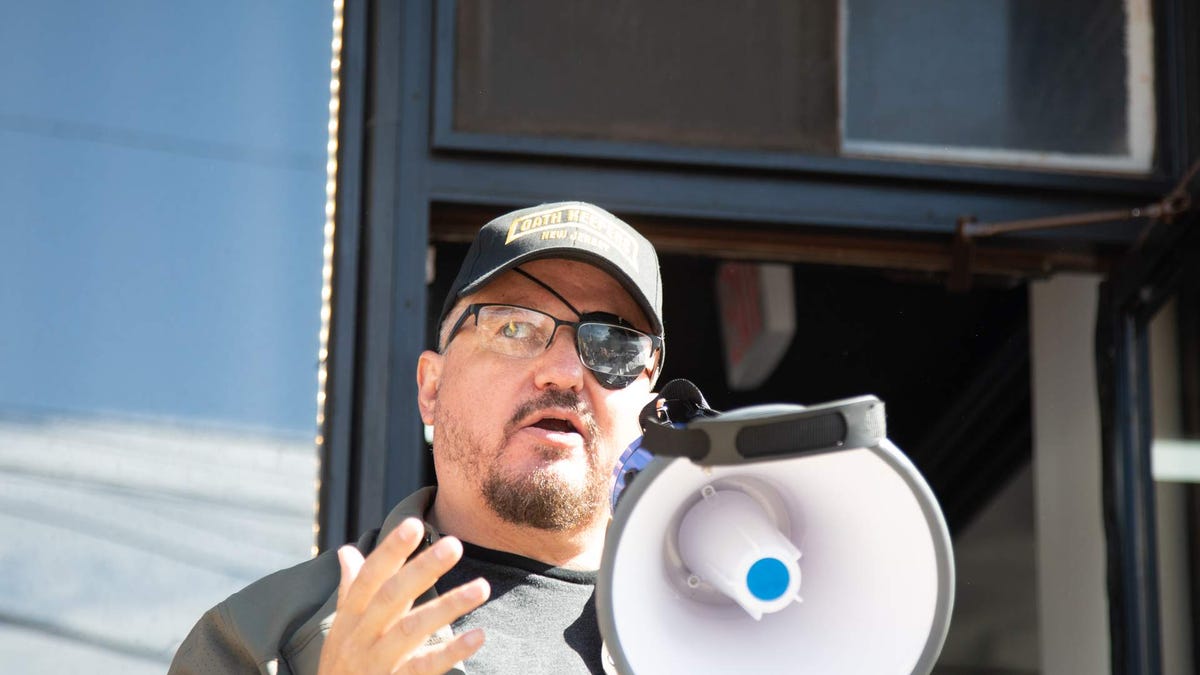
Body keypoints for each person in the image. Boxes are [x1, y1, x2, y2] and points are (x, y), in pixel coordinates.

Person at [169, 201, 665, 675]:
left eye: (613, 344)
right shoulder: (263, 642)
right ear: (432, 388)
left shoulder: (727, 632)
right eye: (515, 327)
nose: (563, 372)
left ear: (649, 409)